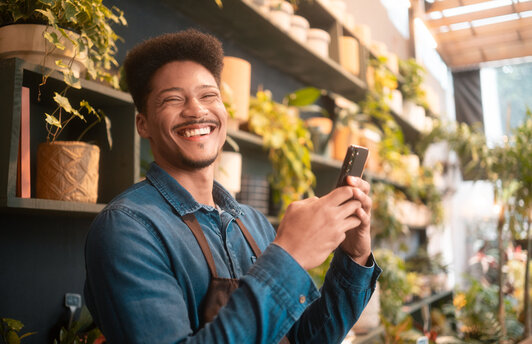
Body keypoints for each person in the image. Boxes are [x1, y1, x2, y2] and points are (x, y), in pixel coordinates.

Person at [84, 28, 381, 343]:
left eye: (209, 95)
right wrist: (289, 256)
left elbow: (307, 338)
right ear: (143, 123)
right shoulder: (127, 228)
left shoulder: (252, 224)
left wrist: (353, 257)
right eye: (173, 99)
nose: (197, 110)